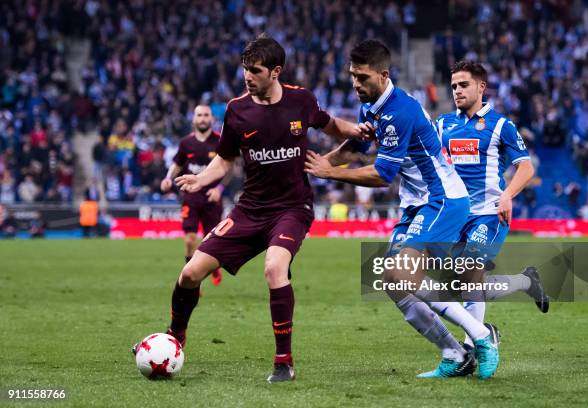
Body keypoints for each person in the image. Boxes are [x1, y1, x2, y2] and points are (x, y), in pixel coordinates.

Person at [135, 35, 369, 383]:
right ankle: (174, 338)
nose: (247, 76)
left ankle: (283, 361)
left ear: (275, 71)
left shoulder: (300, 101)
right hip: (249, 210)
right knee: (188, 274)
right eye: (245, 69)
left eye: (255, 71)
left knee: (275, 268)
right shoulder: (236, 110)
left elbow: (332, 125)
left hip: (292, 207)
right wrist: (201, 180)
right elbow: (224, 159)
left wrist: (359, 130)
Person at [305, 39, 500, 379]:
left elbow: (383, 175)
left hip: (441, 199)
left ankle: (482, 336)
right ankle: (455, 353)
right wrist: (328, 159)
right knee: (393, 283)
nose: (355, 84)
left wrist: (330, 172)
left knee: (401, 275)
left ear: (383, 75)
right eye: (352, 76)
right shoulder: (375, 105)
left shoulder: (399, 112)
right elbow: (360, 141)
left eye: (362, 77)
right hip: (415, 205)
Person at [436, 60, 549, 352]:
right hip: (456, 215)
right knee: (462, 285)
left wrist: (508, 194)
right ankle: (525, 282)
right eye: (453, 87)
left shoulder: (501, 124)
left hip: (490, 212)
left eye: (463, 85)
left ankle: (474, 345)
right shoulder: (444, 124)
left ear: (481, 87)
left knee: (469, 272)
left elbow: (525, 168)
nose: (457, 91)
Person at [161, 105, 224, 287]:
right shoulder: (186, 143)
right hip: (191, 197)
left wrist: (218, 189)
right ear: (194, 119)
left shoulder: (220, 141)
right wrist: (167, 178)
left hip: (212, 198)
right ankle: (192, 281)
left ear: (211, 119)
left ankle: (214, 267)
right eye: (199, 115)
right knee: (190, 239)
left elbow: (229, 167)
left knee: (211, 242)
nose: (203, 119)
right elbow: (177, 164)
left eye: (206, 115)